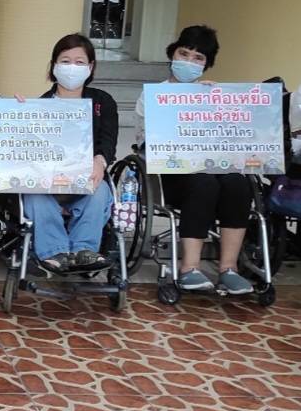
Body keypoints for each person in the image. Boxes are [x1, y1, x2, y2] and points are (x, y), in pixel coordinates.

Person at [135, 25, 252, 294]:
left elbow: (229, 138)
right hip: (173, 173)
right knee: (204, 183)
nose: (189, 62)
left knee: (238, 182)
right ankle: (189, 268)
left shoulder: (213, 94)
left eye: (198, 58)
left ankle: (229, 268)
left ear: (206, 65)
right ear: (172, 54)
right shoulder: (153, 95)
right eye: (184, 54)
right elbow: (147, 142)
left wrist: (216, 103)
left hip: (213, 166)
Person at [22, 34, 118, 273]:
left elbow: (108, 141)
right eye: (65, 61)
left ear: (90, 67)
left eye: (79, 62)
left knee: (99, 191)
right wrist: (15, 113)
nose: (72, 67)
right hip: (47, 182)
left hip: (87, 177)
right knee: (35, 195)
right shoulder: (38, 105)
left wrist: (99, 161)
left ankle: (83, 250)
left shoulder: (103, 102)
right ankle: (54, 251)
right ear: (54, 66)